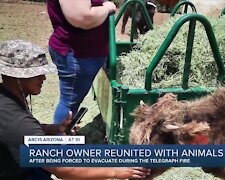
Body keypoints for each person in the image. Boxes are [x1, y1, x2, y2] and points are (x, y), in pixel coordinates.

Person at [0, 39, 150, 179]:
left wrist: (52, 128)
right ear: (18, 77)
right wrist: (117, 171)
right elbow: (62, 168)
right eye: (37, 73)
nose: (44, 78)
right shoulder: (18, 122)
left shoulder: (6, 97)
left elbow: (19, 135)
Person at [47, 0, 116, 124]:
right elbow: (83, 17)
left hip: (83, 52)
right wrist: (107, 8)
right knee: (69, 103)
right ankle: (60, 139)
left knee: (71, 101)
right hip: (77, 54)